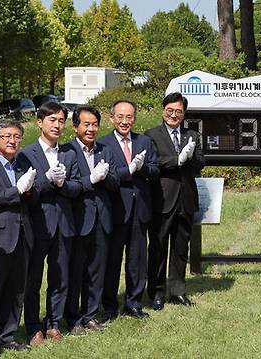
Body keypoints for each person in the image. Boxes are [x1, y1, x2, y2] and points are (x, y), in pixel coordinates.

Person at [16, 102, 82, 345]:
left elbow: (77, 188)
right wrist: (45, 180)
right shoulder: (26, 154)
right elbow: (27, 191)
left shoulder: (69, 153)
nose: (57, 125)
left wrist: (64, 184)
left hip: (64, 223)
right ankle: (33, 327)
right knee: (33, 278)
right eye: (52, 120)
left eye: (61, 120)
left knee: (60, 276)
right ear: (39, 122)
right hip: (37, 223)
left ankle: (53, 323)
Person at [99, 99, 158, 321]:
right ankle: (110, 306)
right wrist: (129, 169)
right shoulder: (103, 144)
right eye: (121, 117)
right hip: (115, 210)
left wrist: (142, 169)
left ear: (135, 118)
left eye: (129, 117)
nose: (125, 121)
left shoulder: (144, 141)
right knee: (112, 261)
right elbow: (109, 177)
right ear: (112, 118)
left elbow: (155, 170)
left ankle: (133, 303)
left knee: (137, 260)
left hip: (140, 209)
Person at [63, 105, 120, 334]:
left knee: (97, 270)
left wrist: (105, 177)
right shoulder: (67, 151)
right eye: (85, 124)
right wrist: (92, 178)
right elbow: (67, 186)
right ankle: (72, 317)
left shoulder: (105, 150)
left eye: (94, 124)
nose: (90, 129)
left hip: (102, 217)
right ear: (75, 126)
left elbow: (115, 182)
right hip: (77, 219)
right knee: (75, 271)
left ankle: (90, 314)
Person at [146, 92, 204, 309]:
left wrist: (191, 156)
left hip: (186, 199)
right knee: (158, 247)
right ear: (163, 111)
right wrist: (176, 160)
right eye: (170, 110)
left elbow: (200, 164)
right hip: (162, 199)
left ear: (184, 113)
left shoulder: (193, 135)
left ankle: (177, 291)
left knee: (181, 248)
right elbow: (153, 163)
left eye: (178, 111)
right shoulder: (151, 135)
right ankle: (156, 292)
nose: (173, 115)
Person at [0, 119, 36, 355]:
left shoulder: (20, 163)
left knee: (16, 290)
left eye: (17, 136)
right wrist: (16, 191)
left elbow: (29, 196)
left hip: (22, 235)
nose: (13, 141)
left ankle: (6, 335)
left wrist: (29, 190)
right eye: (7, 136)